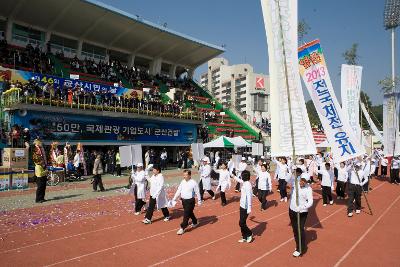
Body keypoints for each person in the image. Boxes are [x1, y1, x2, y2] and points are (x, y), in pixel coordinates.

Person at [289, 168, 314, 257]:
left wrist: (302, 207)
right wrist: (292, 170)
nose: (302, 182)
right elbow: (287, 179)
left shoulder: (308, 189)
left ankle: (301, 248)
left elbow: (310, 202)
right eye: (301, 180)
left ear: (307, 182)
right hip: (292, 210)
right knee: (295, 229)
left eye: (304, 181)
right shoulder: (295, 183)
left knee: (299, 229)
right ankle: (298, 244)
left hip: (302, 212)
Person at [172, 170, 202, 235]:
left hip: (190, 201)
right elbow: (179, 190)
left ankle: (182, 227)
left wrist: (199, 200)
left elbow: (197, 192)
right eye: (183, 175)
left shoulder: (193, 182)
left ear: (189, 175)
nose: (184, 176)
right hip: (184, 201)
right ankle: (195, 222)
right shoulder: (182, 182)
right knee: (189, 212)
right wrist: (174, 198)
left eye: (185, 175)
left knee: (186, 214)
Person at [232, 170, 253, 243]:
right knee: (241, 222)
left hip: (246, 207)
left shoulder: (248, 185)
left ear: (245, 176)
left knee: (241, 223)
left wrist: (249, 208)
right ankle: (244, 237)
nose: (241, 176)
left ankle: (249, 233)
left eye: (242, 175)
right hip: (242, 205)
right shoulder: (245, 182)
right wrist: (233, 176)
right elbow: (240, 180)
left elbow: (249, 197)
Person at [32, 139, 48, 203]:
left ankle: (42, 198)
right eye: (40, 142)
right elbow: (36, 158)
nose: (41, 143)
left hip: (43, 166)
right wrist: (40, 163)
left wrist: (44, 164)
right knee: (40, 187)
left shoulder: (41, 148)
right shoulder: (35, 149)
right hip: (40, 167)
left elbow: (42, 157)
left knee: (43, 186)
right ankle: (38, 199)